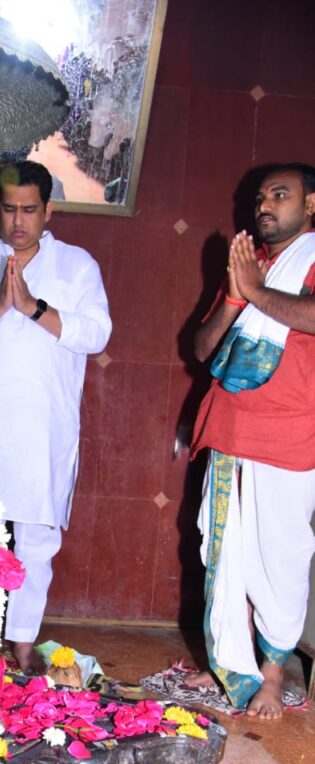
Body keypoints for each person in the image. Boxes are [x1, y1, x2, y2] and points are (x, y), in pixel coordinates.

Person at [0, 159, 111, 674]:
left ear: (48, 210)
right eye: (9, 209)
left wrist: (33, 307)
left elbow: (97, 334)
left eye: (29, 210)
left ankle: (23, 642)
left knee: (36, 542)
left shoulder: (77, 266)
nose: (18, 221)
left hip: (44, 427)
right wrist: (0, 305)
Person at [189, 163, 315, 719]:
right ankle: (230, 661)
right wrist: (237, 298)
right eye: (261, 197)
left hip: (289, 433)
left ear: (311, 205)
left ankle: (272, 673)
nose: (264, 205)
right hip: (230, 428)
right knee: (225, 553)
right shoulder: (251, 266)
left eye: (280, 195)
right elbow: (201, 349)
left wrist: (259, 291)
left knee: (279, 557)